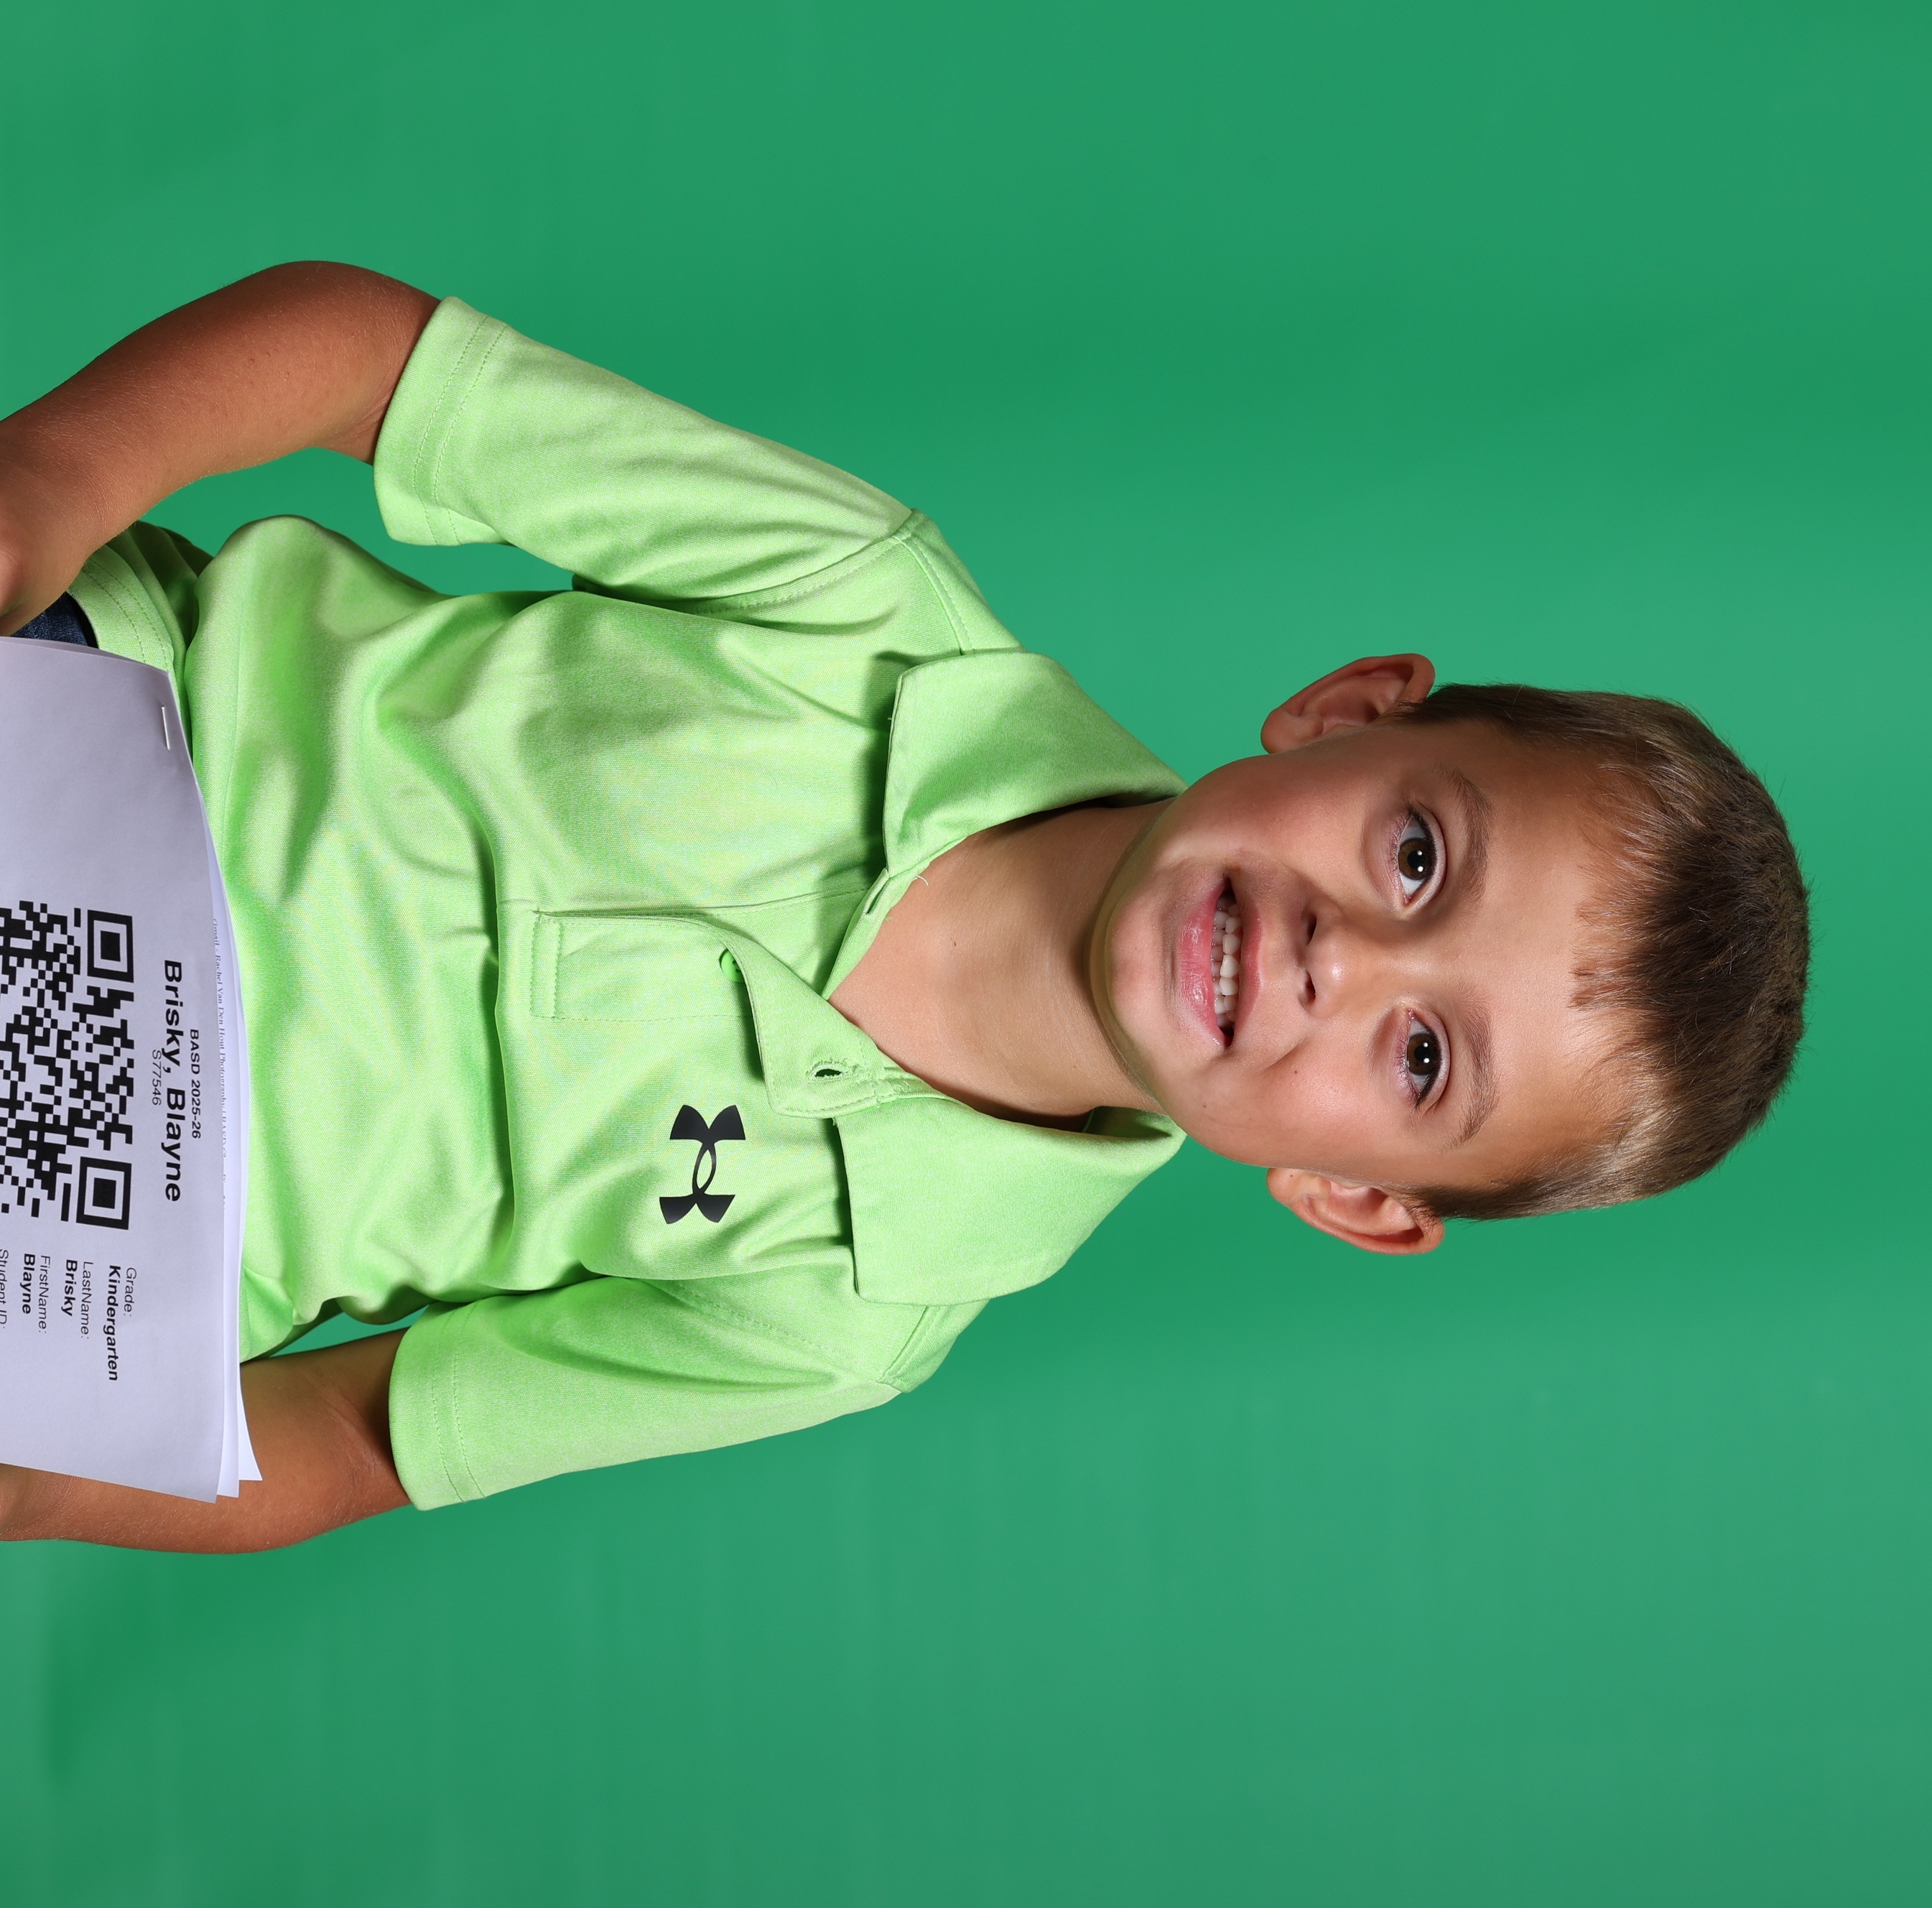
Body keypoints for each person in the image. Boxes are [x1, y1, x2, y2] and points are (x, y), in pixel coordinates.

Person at [0, 264, 1808, 1552]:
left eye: (1423, 1057)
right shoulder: (863, 602)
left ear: (1353, 1194)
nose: (1350, 954)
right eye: (1418, 856)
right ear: (1349, 713)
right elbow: (375, 363)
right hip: (78, 706)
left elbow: (353, 1437)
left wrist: (41, 1466)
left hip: (59, 1230)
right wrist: (57, 476)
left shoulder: (860, 1311)